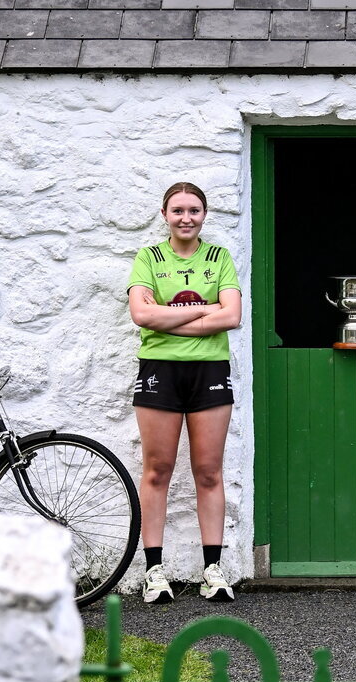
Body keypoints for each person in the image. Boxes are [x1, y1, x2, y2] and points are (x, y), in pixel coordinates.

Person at [127, 182, 242, 604]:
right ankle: (154, 571)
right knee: (157, 471)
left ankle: (212, 569)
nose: (186, 218)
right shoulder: (149, 258)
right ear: (165, 214)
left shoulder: (219, 258)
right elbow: (141, 314)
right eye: (178, 210)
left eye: (194, 210)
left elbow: (233, 316)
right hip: (160, 370)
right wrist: (203, 309)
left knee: (208, 471)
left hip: (209, 370)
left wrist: (168, 316)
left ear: (204, 215)